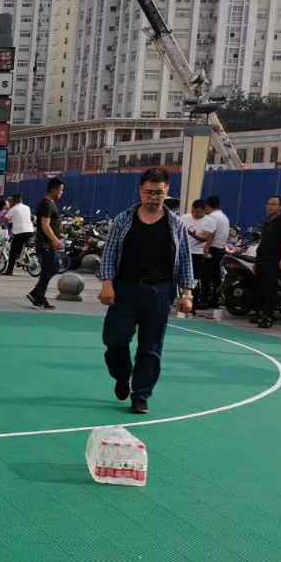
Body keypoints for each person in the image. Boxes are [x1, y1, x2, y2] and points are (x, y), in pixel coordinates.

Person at [97, 169, 196, 414]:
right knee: (115, 339)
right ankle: (122, 374)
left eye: (158, 193)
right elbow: (109, 253)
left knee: (151, 346)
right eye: (148, 192)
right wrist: (107, 284)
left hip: (160, 292)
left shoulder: (176, 224)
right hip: (125, 289)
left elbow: (185, 260)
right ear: (140, 191)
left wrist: (187, 293)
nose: (153, 197)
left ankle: (141, 394)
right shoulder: (123, 219)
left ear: (167, 192)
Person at [253, 195, 281, 328]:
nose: (269, 206)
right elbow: (263, 243)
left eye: (273, 204)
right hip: (261, 259)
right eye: (268, 204)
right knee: (260, 289)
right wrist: (256, 262)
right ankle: (259, 314)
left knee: (270, 290)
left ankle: (268, 317)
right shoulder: (267, 222)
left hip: (273, 261)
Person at [27, 178, 66, 309]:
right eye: (60, 190)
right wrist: (55, 240)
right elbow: (45, 225)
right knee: (51, 268)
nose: (62, 193)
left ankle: (37, 294)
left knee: (51, 268)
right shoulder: (46, 204)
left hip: (49, 244)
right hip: (46, 244)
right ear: (53, 189)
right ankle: (38, 295)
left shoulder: (51, 203)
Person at [201, 194, 231, 309]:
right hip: (220, 249)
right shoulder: (224, 217)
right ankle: (215, 300)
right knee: (216, 277)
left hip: (211, 249)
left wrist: (205, 250)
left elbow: (210, 235)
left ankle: (203, 301)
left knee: (205, 277)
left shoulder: (212, 217)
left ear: (207, 206)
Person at [4, 194, 34, 276]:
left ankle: (9, 271)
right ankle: (22, 259)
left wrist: (9, 208)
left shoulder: (14, 208)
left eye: (11, 201)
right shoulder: (27, 207)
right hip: (30, 231)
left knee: (13, 251)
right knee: (22, 246)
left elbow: (6, 218)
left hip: (20, 233)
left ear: (14, 201)